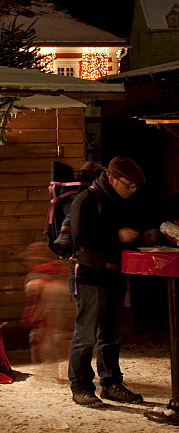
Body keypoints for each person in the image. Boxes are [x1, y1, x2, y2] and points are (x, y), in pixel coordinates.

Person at [68, 156, 147, 407]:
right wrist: (117, 236)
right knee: (86, 335)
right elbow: (81, 239)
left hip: (116, 275)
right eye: (129, 185)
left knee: (113, 334)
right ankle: (80, 386)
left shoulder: (123, 201)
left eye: (136, 186)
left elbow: (131, 232)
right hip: (90, 275)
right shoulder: (87, 200)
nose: (133, 190)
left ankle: (111, 383)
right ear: (112, 178)